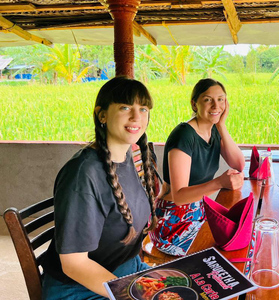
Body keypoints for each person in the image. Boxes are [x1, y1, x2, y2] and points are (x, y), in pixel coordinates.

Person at [41, 77, 158, 299]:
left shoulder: (125, 158)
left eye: (143, 109)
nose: (136, 116)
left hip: (126, 271)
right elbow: (74, 264)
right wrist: (129, 294)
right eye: (125, 107)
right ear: (102, 114)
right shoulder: (82, 175)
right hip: (81, 287)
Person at [149, 78, 245, 256]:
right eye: (208, 99)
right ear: (194, 104)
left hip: (199, 213)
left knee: (240, 240)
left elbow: (238, 164)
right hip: (172, 224)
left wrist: (221, 125)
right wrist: (218, 183)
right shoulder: (184, 135)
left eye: (221, 99)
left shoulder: (213, 130)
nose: (216, 105)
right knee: (222, 255)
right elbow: (179, 196)